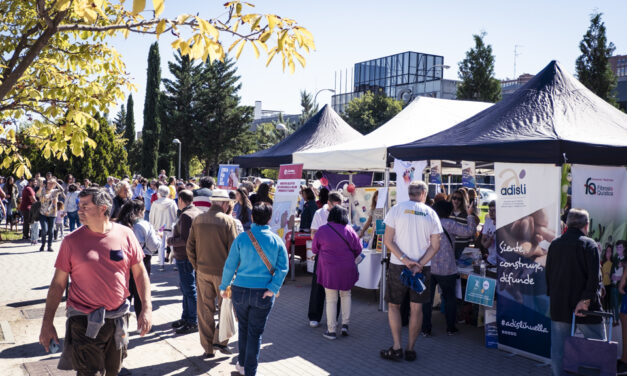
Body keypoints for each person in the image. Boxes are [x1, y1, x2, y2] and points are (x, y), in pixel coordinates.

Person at [38, 187, 152, 375]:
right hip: (83, 321)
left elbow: (140, 274)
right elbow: (58, 284)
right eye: (79, 206)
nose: (79, 211)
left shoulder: (126, 234)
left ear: (102, 208)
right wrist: (46, 323)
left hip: (117, 319)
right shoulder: (71, 241)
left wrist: (146, 308)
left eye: (85, 206)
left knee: (113, 371)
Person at [220, 202, 289, 376]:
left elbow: (230, 265)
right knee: (255, 333)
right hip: (263, 293)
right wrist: (273, 288)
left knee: (243, 328)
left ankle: (242, 365)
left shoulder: (242, 238)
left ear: (252, 217)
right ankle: (249, 371)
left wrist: (223, 286)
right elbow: (283, 267)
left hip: (240, 290)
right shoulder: (276, 240)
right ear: (270, 218)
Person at [380, 180, 442, 362]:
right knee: (417, 309)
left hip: (399, 265)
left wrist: (405, 259)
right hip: (422, 268)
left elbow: (388, 240)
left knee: (394, 306)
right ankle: (410, 349)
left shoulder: (397, 209)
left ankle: (397, 346)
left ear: (409, 193)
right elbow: (435, 246)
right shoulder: (431, 213)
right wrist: (420, 264)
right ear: (424, 193)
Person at [546, 208, 607, 376]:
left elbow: (549, 275)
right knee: (597, 347)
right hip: (587, 309)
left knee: (558, 351)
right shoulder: (589, 244)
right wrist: (585, 301)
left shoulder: (555, 244)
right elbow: (594, 278)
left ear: (567, 224)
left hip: (560, 306)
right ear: (586, 225)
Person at [187, 189, 239, 358]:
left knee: (204, 310)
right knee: (226, 308)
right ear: (224, 204)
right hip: (225, 275)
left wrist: (197, 267)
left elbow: (190, 247)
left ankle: (208, 348)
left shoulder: (198, 219)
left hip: (202, 272)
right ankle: (220, 341)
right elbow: (234, 252)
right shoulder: (228, 221)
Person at [422, 200, 477, 336]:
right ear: (448, 211)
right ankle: (450, 327)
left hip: (428, 264)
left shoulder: (427, 223)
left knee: (426, 300)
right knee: (450, 298)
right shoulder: (450, 223)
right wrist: (470, 215)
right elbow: (469, 232)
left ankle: (426, 329)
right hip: (446, 267)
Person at [312, 206, 361, 340]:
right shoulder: (350, 230)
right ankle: (345, 325)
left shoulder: (322, 230)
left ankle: (331, 330)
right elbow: (358, 249)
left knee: (331, 299)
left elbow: (314, 249)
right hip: (347, 267)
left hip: (329, 269)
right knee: (346, 295)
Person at [167, 190, 203, 334]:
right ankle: (186, 318)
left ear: (181, 199)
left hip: (185, 256)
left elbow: (185, 239)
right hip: (191, 255)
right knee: (187, 288)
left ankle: (192, 321)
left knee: (189, 289)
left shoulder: (187, 215)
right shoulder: (197, 211)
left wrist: (170, 241)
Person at [118, 199, 160, 319]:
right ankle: (142, 322)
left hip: (122, 262)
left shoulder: (118, 224)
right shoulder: (144, 225)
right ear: (140, 211)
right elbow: (154, 245)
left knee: (124, 293)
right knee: (141, 292)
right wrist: (158, 238)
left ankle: (120, 324)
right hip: (142, 261)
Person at [308, 191, 343, 328]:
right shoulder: (319, 213)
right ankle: (314, 316)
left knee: (337, 287)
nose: (337, 208)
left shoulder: (342, 212)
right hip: (323, 254)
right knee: (318, 286)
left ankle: (334, 317)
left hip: (338, 255)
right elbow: (313, 234)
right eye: (334, 205)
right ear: (328, 203)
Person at [149, 185, 178, 271]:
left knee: (161, 246)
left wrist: (152, 225)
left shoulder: (155, 203)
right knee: (173, 245)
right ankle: (175, 263)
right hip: (169, 226)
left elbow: (151, 216)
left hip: (160, 227)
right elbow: (176, 214)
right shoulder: (172, 202)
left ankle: (161, 264)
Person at [37, 177, 65, 252]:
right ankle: (43, 245)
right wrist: (40, 188)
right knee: (44, 230)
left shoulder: (55, 191)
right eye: (49, 183)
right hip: (43, 213)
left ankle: (49, 246)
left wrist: (56, 183)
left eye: (52, 183)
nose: (50, 184)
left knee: (51, 230)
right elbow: (37, 195)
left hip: (52, 214)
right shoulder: (43, 190)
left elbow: (62, 190)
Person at [449, 189, 472, 259]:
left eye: (459, 199)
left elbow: (473, 227)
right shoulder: (447, 212)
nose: (456, 201)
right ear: (451, 199)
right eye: (454, 198)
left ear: (462, 201)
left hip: (463, 247)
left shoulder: (466, 213)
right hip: (449, 246)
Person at [480, 200, 497, 265]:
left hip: (501, 261)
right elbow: (483, 241)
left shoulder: (503, 224)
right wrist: (489, 241)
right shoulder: (488, 221)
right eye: (490, 210)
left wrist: (487, 242)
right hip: (490, 259)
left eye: (494, 210)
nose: (491, 213)